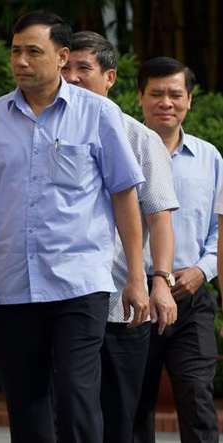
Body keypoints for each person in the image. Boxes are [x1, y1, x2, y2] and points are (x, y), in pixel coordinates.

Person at [0, 11, 146, 443]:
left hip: (80, 284)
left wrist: (136, 277)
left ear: (62, 56)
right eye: (15, 51)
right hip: (12, 285)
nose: (21, 61)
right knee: (25, 404)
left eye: (33, 52)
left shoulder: (99, 113)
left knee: (77, 396)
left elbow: (125, 196)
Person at [61, 31, 180, 443]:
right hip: (66, 302)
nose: (72, 78)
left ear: (109, 77)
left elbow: (160, 219)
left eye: (83, 69)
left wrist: (158, 282)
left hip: (124, 304)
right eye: (65, 68)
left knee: (121, 418)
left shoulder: (140, 138)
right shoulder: (46, 131)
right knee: (70, 417)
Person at [133, 57, 222, 443]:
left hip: (192, 297)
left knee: (197, 396)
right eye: (156, 93)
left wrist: (204, 269)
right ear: (140, 98)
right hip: (133, 297)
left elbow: (219, 229)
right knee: (133, 403)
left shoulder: (211, 158)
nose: (166, 102)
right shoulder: (121, 150)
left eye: (175, 94)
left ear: (189, 100)